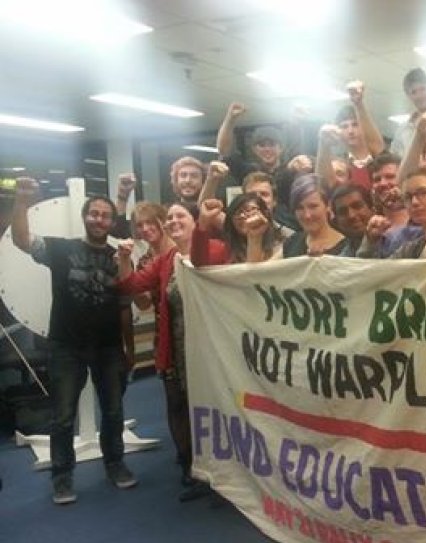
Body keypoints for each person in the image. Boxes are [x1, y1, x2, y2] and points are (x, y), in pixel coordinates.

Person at [11, 178, 137, 504]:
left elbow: (128, 294)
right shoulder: (62, 249)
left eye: (105, 215)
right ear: (85, 217)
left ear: (111, 222)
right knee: (63, 415)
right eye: (93, 213)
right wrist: (21, 202)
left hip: (108, 346)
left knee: (113, 410)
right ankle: (63, 477)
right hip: (66, 345)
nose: (99, 219)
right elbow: (23, 240)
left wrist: (129, 348)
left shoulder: (118, 255)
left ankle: (115, 464)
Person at [116, 202, 211, 501]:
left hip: (208, 345)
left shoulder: (208, 248)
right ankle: (189, 464)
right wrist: (123, 258)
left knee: (207, 405)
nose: (148, 229)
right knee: (177, 404)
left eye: (177, 217)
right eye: (169, 218)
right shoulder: (160, 260)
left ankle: (214, 464)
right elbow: (131, 285)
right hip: (172, 341)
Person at [317, 81, 385, 193]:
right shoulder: (340, 165)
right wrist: (323, 144)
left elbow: (377, 145)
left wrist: (358, 104)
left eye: (355, 124)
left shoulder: (379, 158)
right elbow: (323, 185)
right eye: (344, 126)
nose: (350, 131)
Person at [364, 152, 424, 257]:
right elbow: (362, 265)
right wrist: (370, 241)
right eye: (377, 179)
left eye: (390, 177)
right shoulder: (372, 227)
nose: (382, 183)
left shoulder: (424, 217)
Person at [192, 194, 279, 266]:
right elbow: (199, 264)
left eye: (251, 209)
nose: (244, 216)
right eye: (238, 213)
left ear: (266, 214)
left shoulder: (282, 246)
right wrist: (203, 224)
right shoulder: (223, 250)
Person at [283, 175, 348, 257]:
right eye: (300, 208)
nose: (307, 215)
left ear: (328, 205)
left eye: (313, 206)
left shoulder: (347, 247)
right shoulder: (291, 243)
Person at [330, 184, 376, 257]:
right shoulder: (339, 260)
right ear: (337, 222)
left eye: (357, 206)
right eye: (343, 212)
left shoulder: (394, 245)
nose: (351, 215)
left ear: (373, 210)